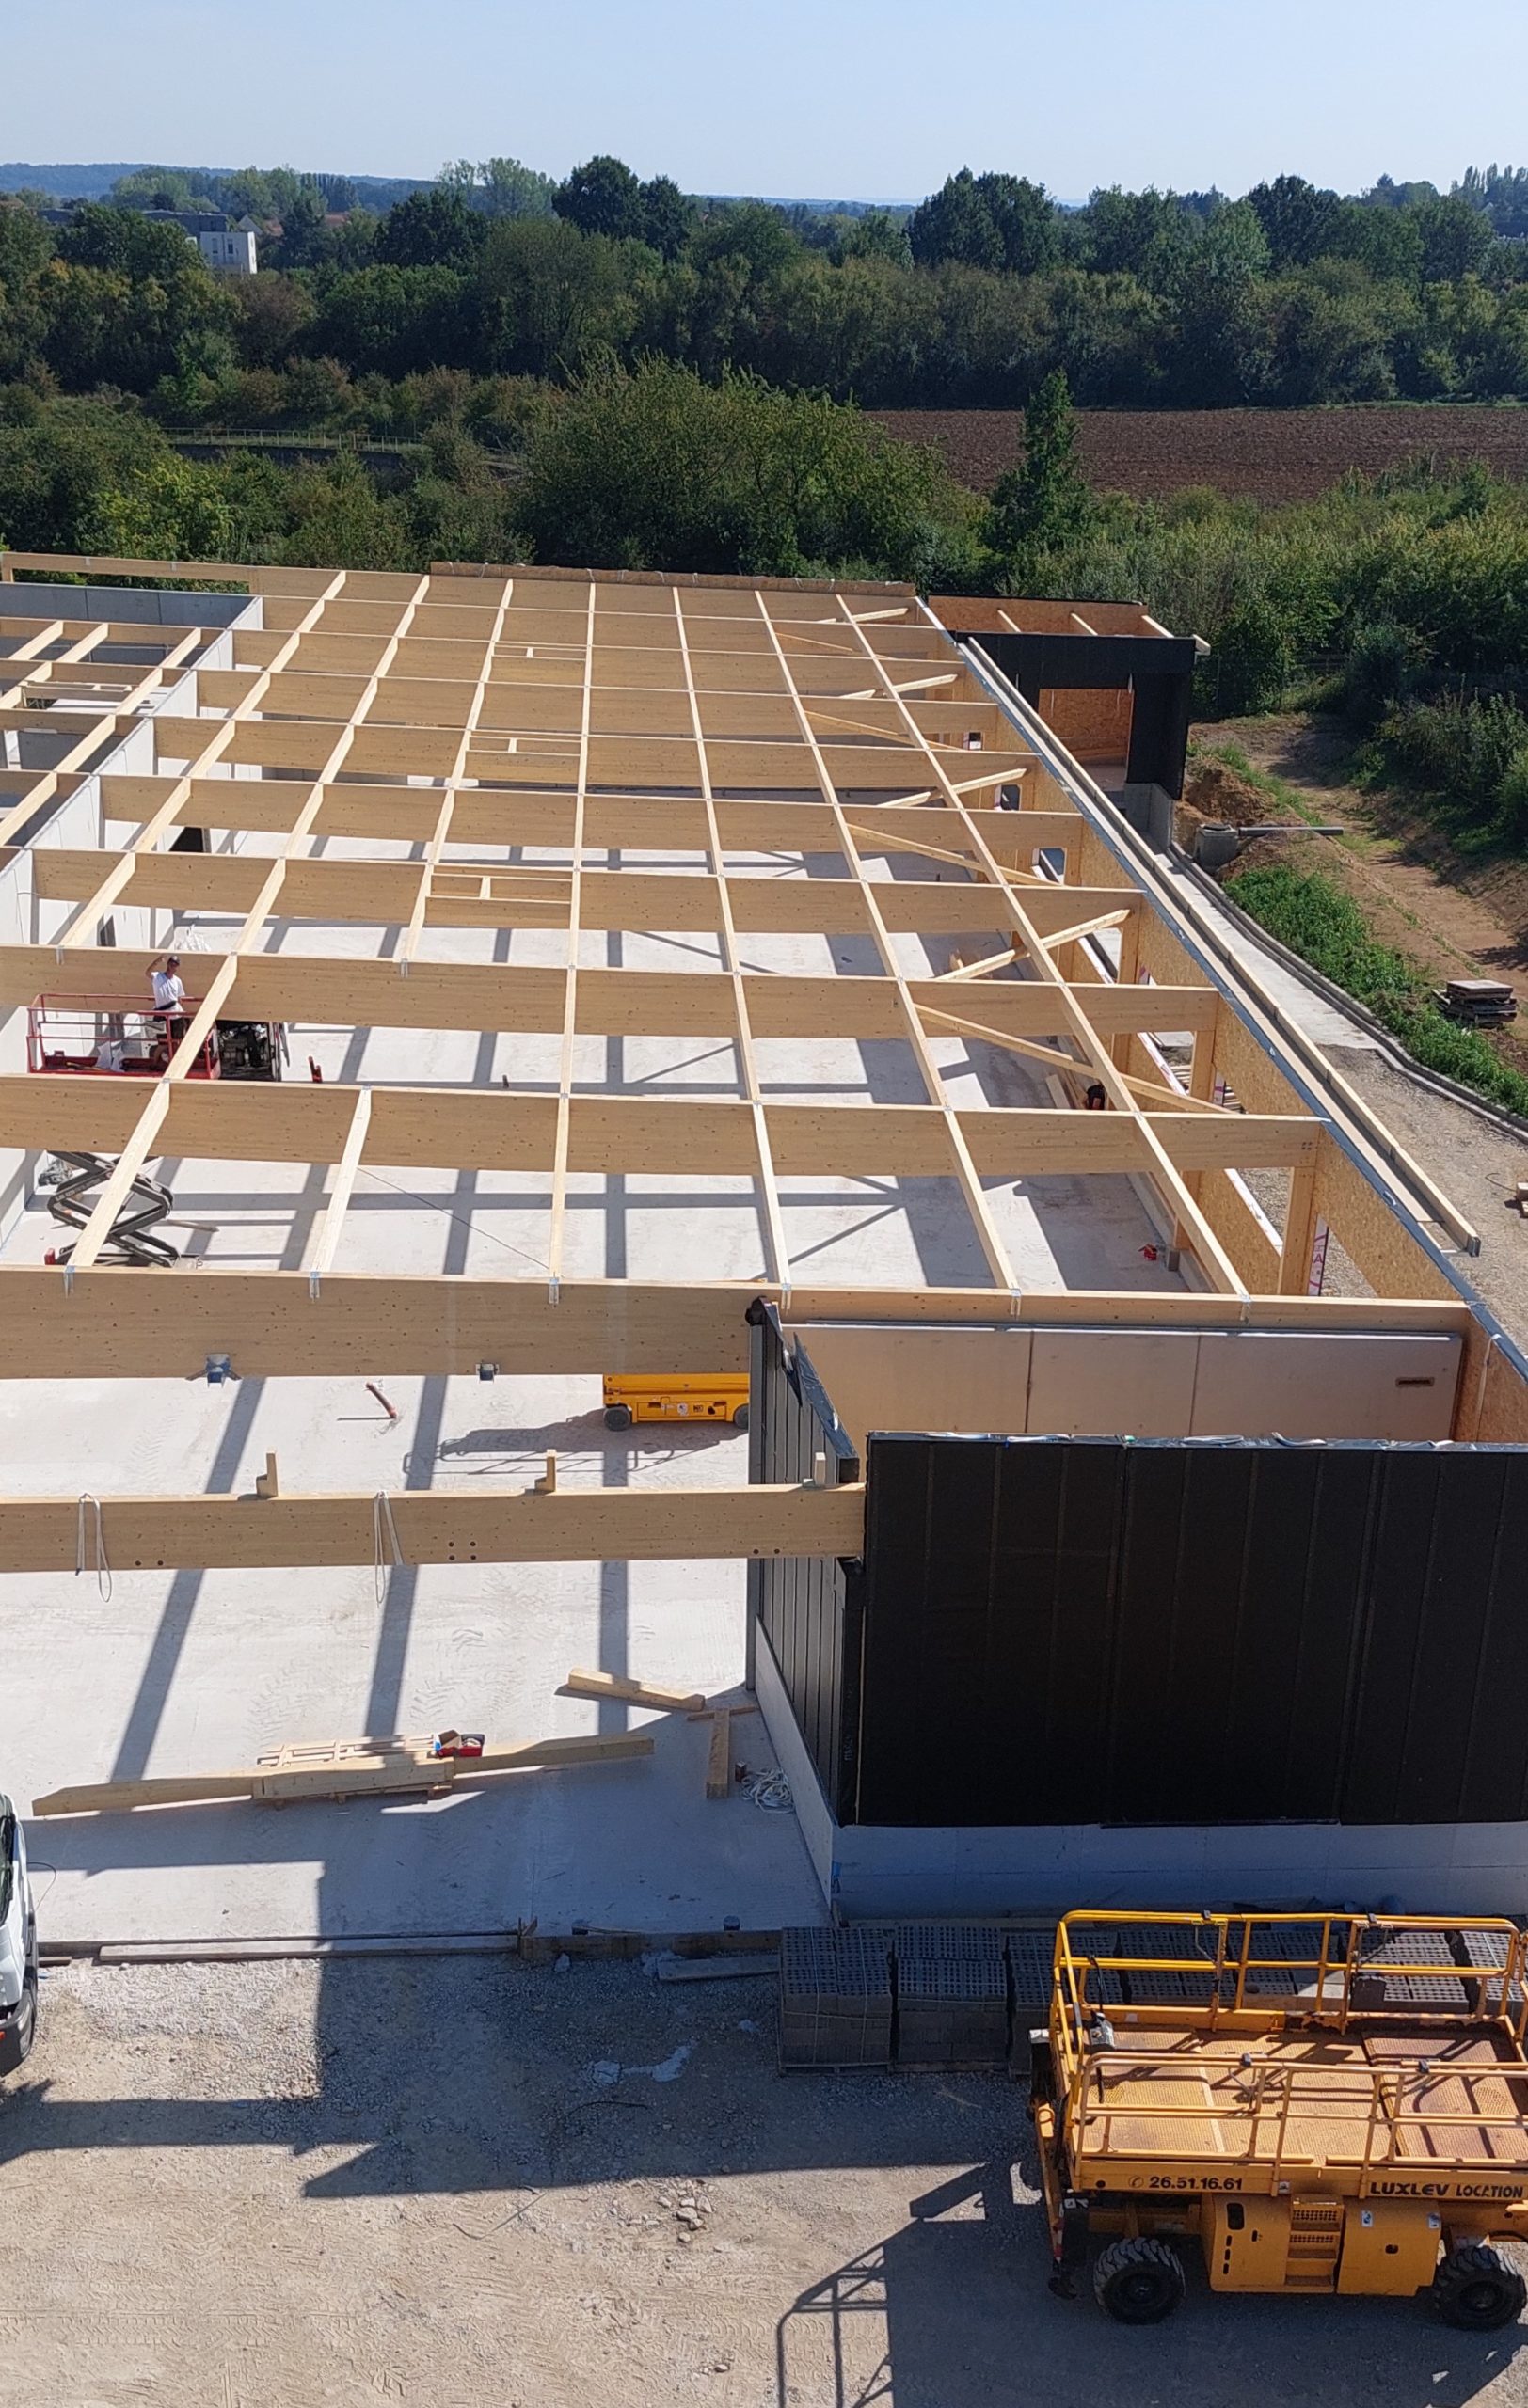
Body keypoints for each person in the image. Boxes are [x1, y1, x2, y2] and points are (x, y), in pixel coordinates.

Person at [148, 953, 190, 1052]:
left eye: (175, 965)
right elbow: (147, 973)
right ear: (168, 964)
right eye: (171, 964)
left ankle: (176, 1061)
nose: (172, 966)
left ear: (177, 967)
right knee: (162, 1042)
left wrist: (182, 1013)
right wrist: (156, 962)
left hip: (176, 1015)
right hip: (162, 1014)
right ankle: (155, 1064)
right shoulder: (158, 976)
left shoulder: (177, 981)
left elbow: (179, 998)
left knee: (177, 1041)